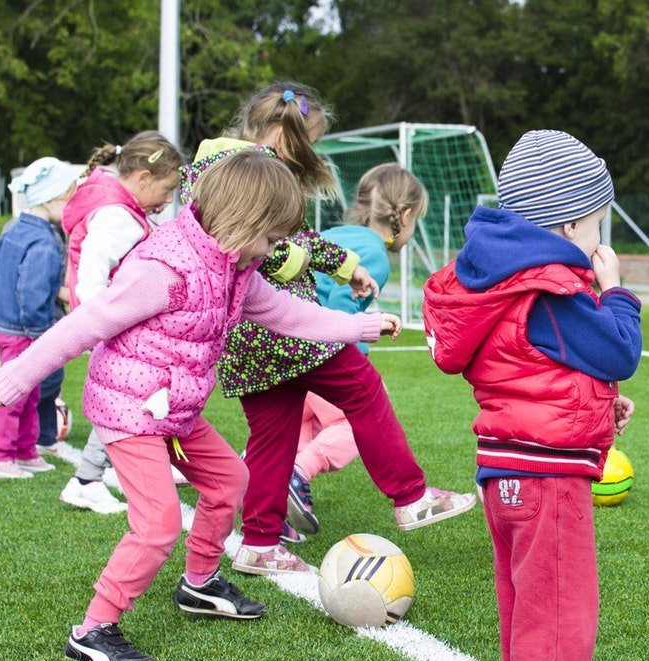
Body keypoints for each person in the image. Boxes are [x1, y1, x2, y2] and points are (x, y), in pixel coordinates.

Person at [0, 150, 402, 661]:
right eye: (272, 239)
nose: (275, 251)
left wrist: (359, 326)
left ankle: (199, 584)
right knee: (158, 524)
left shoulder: (235, 266)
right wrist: (17, 376)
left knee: (231, 481)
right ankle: (92, 630)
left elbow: (286, 314)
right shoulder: (164, 268)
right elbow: (86, 323)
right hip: (130, 410)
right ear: (242, 221)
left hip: (174, 410)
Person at [180, 81, 474, 577]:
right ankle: (411, 496)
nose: (307, 155)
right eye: (306, 143)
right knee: (362, 389)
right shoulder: (245, 170)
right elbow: (263, 248)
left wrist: (345, 266)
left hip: (245, 338)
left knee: (274, 434)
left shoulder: (215, 164)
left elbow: (295, 236)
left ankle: (258, 542)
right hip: (282, 326)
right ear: (279, 133)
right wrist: (307, 268)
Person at [422, 130, 643, 661]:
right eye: (599, 223)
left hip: (509, 466)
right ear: (570, 222)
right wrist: (617, 290)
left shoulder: (506, 281)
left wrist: (599, 408)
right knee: (560, 596)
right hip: (546, 476)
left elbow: (535, 370)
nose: (602, 239)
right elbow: (619, 348)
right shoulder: (551, 289)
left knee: (527, 593)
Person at [284, 163, 430, 539]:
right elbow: (340, 306)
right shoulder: (375, 256)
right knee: (352, 421)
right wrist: (354, 365)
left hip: (282, 346)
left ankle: (268, 493)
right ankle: (298, 474)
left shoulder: (334, 234)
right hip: (316, 351)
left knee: (297, 425)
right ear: (406, 215)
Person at [56, 131, 187, 515]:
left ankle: (104, 472)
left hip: (115, 325)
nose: (167, 202)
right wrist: (104, 324)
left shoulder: (121, 208)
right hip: (114, 327)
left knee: (134, 398)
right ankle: (86, 479)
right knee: (126, 401)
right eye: (166, 190)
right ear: (143, 179)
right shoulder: (117, 217)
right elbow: (93, 277)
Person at [0, 157, 77, 479]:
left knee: (31, 391)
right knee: (14, 392)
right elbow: (33, 290)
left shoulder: (14, 227)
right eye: (69, 199)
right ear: (52, 200)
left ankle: (25, 451)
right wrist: (41, 332)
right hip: (22, 329)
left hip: (5, 323)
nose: (71, 207)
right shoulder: (43, 241)